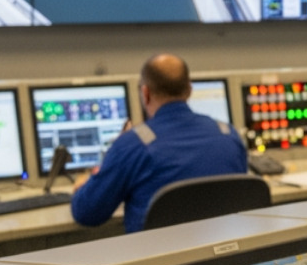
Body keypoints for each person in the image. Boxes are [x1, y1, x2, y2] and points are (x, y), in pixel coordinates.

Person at [70, 54, 246, 233]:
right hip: (224, 256)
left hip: (159, 259)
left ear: (145, 93)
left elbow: (87, 213)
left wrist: (87, 184)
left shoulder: (133, 143)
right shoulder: (228, 135)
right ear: (189, 90)